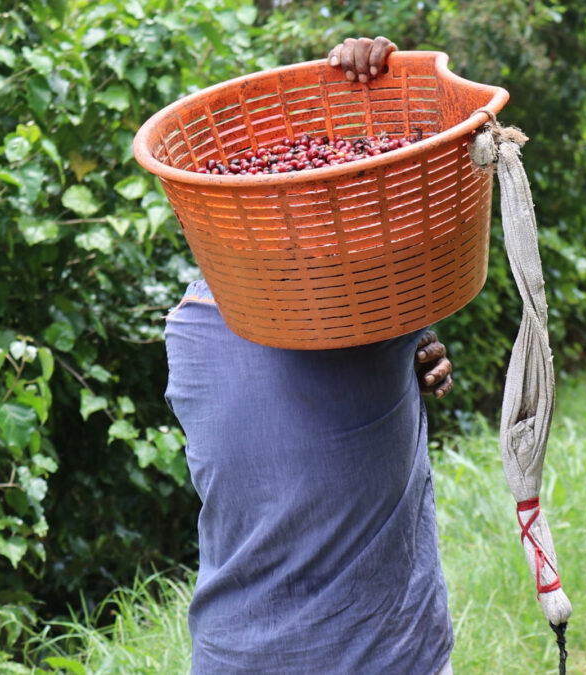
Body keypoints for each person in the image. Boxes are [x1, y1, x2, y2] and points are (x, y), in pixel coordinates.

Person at [163, 37, 458, 674]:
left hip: (234, 654)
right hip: (383, 655)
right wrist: (373, 83)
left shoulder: (185, 329)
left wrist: (413, 340)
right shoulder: (367, 317)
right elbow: (429, 149)